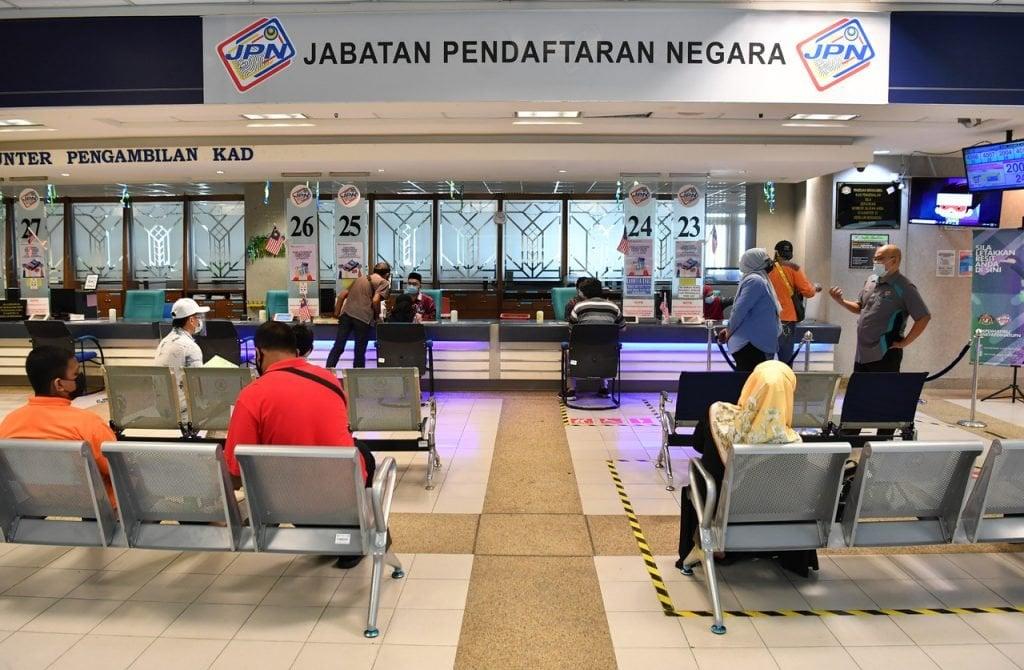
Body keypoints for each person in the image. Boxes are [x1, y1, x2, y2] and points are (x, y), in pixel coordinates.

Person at [224, 322, 376, 569]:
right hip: (344, 492)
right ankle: (353, 531)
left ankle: (325, 531)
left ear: (259, 353)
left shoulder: (252, 394)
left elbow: (234, 470)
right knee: (362, 451)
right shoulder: (329, 380)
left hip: (286, 502)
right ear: (297, 349)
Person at [676, 361, 816, 577]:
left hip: (719, 513)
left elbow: (696, 444)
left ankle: (714, 548)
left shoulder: (717, 415)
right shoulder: (794, 442)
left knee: (699, 480)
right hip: (772, 520)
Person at [0, 346, 117, 504]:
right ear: (59, 385)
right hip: (95, 506)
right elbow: (119, 471)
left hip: (37, 503)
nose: (80, 377)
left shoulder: (9, 423)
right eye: (75, 374)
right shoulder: (88, 423)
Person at [829, 244, 931, 373]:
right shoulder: (871, 281)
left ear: (894, 260)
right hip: (862, 354)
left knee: (883, 392)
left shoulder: (904, 286)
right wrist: (841, 301)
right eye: (875, 259)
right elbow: (860, 307)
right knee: (861, 392)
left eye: (880, 259)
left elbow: (924, 317)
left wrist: (905, 343)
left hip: (885, 354)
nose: (876, 262)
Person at [719, 249, 782, 372]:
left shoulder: (757, 279)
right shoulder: (755, 281)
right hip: (751, 344)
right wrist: (729, 331)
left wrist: (729, 330)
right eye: (766, 260)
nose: (770, 263)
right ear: (753, 262)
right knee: (751, 385)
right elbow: (739, 311)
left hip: (755, 342)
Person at [566, 277, 625, 399]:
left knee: (570, 351)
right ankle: (604, 388)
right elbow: (622, 328)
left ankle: (571, 390)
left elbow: (572, 331)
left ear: (583, 292)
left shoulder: (578, 307)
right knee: (604, 349)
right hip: (607, 354)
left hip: (581, 354)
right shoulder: (614, 307)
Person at [326, 261, 391, 369]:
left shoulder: (359, 278)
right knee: (359, 351)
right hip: (362, 318)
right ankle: (356, 379)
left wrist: (337, 314)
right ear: (387, 274)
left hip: (346, 315)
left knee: (338, 346)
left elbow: (342, 296)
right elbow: (376, 300)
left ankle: (327, 373)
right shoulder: (383, 282)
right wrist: (376, 316)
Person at [769, 240, 821, 365]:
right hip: (787, 318)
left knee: (766, 359)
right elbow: (808, 292)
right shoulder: (794, 268)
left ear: (776, 252)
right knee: (785, 359)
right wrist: (815, 287)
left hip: (767, 317)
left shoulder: (766, 268)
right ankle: (786, 383)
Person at [154, 298, 208, 369]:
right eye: (198, 317)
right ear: (191, 320)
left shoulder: (163, 343)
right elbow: (197, 378)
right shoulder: (191, 348)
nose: (199, 321)